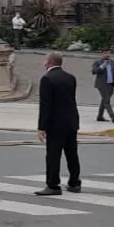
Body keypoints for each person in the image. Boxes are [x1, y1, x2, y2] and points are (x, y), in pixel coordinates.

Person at [36, 52, 81, 196]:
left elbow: (45, 104)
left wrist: (42, 127)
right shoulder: (71, 78)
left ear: (48, 62)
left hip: (56, 124)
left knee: (53, 155)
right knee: (72, 153)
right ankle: (75, 183)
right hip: (71, 121)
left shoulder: (47, 79)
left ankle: (53, 185)